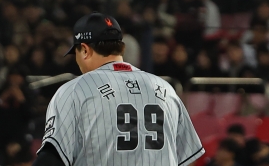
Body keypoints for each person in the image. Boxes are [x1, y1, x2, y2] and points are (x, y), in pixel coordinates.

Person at [33, 12, 204, 166]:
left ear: (84, 50)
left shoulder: (75, 90)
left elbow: (52, 158)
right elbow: (188, 158)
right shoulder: (165, 89)